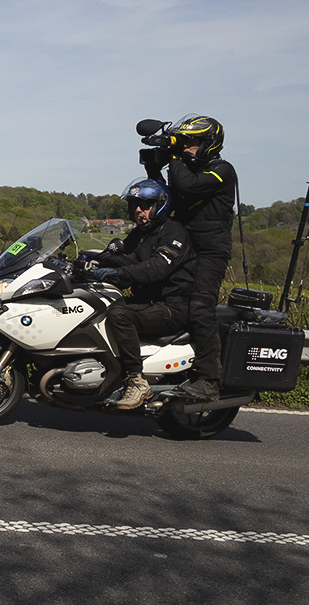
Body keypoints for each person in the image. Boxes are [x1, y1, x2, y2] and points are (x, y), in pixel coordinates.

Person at [145, 114, 236, 401]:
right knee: (156, 292)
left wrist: (172, 153)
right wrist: (154, 169)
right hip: (185, 246)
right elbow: (172, 197)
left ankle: (209, 380)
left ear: (210, 143)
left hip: (210, 251)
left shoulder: (222, 170)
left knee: (199, 307)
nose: (186, 147)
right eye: (184, 141)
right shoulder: (186, 168)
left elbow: (188, 187)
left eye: (192, 142)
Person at [92, 179, 195, 410]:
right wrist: (90, 260)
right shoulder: (141, 233)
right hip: (149, 302)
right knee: (97, 307)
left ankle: (136, 381)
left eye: (146, 204)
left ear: (160, 205)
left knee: (120, 315)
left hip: (172, 306)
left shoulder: (173, 232)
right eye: (135, 205)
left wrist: (117, 272)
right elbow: (126, 258)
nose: (139, 210)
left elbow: (156, 267)